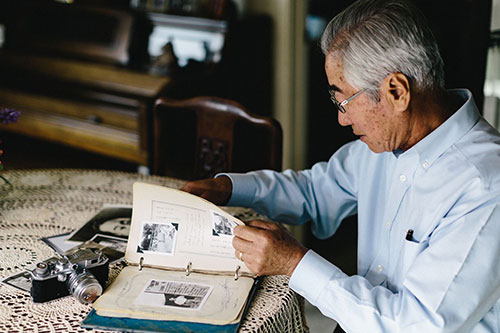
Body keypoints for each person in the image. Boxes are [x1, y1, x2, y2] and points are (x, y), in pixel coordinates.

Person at [181, 0, 500, 331]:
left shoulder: (485, 186)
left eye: (344, 100)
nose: (341, 118)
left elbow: (416, 325)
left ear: (396, 91)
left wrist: (293, 263)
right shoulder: (386, 143)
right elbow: (315, 191)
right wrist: (228, 188)